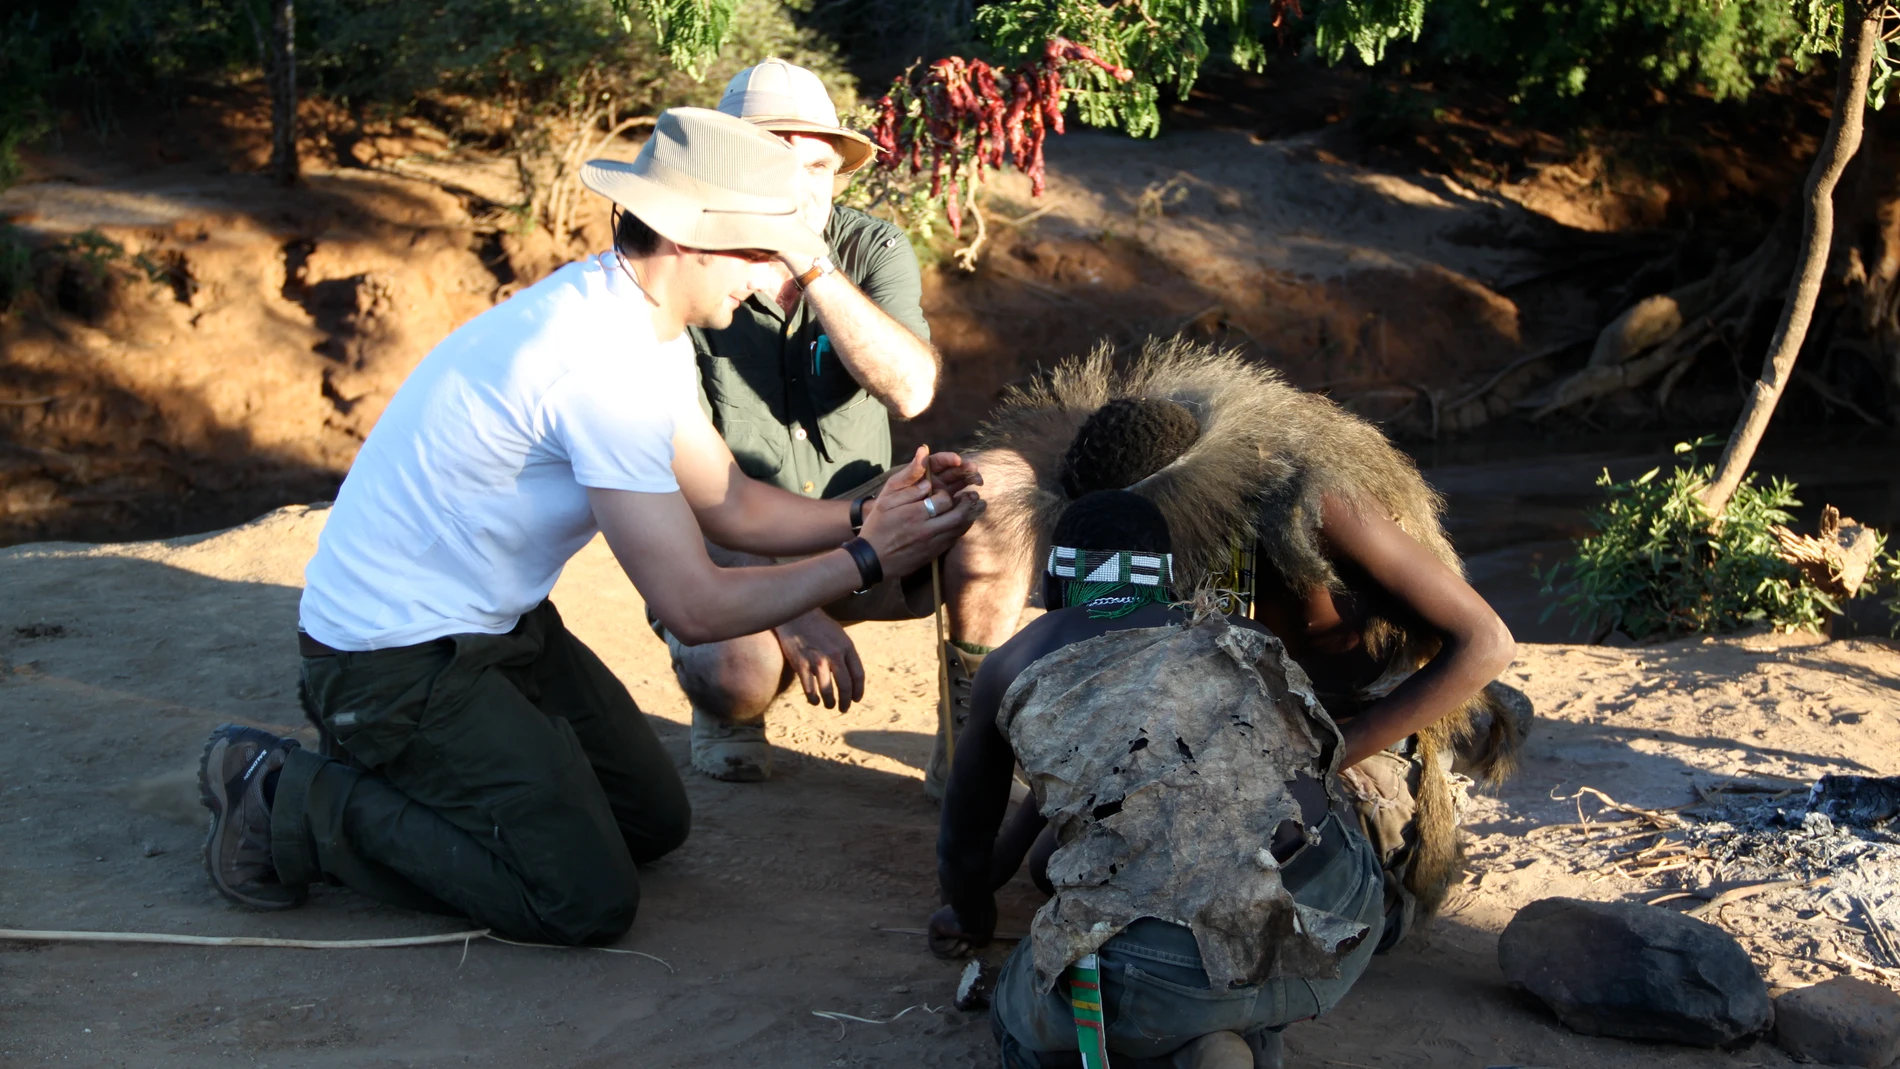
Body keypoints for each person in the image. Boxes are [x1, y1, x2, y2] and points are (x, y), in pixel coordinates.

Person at [194, 107, 983, 945]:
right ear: (687, 237)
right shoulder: (593, 363)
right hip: (388, 661)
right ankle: (285, 795)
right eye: (758, 251)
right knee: (580, 899)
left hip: (500, 630)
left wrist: (870, 506)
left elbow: (729, 502)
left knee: (652, 822)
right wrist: (868, 556)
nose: (769, 278)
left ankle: (416, 771)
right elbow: (694, 607)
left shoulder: (638, 315)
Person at [971, 337, 1522, 945]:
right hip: (1223, 739)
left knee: (1268, 902)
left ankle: (1421, 796)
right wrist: (988, 872)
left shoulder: (1312, 502)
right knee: (1060, 866)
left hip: (1338, 739)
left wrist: (1320, 763)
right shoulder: (1147, 551)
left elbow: (1486, 642)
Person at [661, 58, 1033, 789]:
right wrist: (794, 613)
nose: (801, 186)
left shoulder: (872, 247)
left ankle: (968, 730)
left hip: (873, 522)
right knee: (735, 670)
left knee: (1006, 481)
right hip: (735, 543)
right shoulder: (687, 261)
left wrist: (813, 264)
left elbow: (912, 389)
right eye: (776, 161)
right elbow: (675, 484)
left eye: (819, 167)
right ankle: (731, 708)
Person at [931, 491, 1390, 1069]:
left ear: (1051, 583)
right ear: (1169, 582)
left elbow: (963, 846)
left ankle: (1192, 1038)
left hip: (1174, 968)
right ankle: (1233, 1039)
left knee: (1025, 1015)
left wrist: (970, 917)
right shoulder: (1240, 636)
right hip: (1337, 919)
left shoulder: (1016, 661)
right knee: (1197, 977)